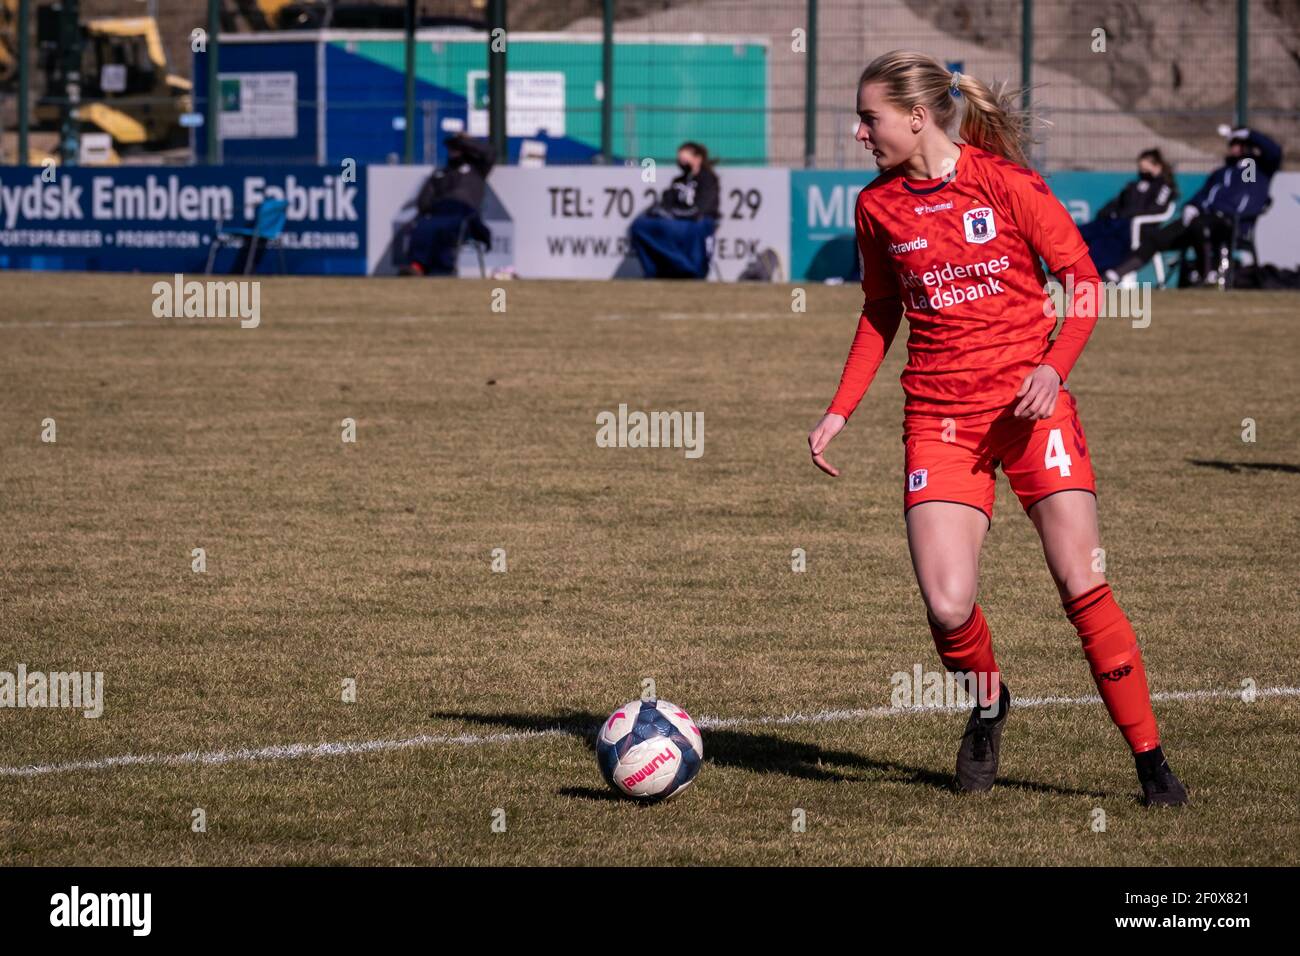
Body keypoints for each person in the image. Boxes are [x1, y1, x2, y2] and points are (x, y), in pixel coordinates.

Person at [807, 50, 1187, 806]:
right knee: (948, 605)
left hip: (1031, 413)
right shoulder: (878, 206)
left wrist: (1054, 368)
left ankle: (1151, 767)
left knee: (1081, 580)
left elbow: (1082, 279)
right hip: (940, 423)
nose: (859, 133)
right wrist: (838, 409)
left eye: (869, 118)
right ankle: (988, 702)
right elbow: (881, 312)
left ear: (917, 119)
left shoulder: (1006, 183)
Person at [1107, 127, 1282, 285]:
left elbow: (1275, 152)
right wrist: (1192, 206)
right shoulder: (1221, 172)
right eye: (1232, 143)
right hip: (1200, 221)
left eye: (1238, 144)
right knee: (1155, 238)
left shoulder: (1256, 169)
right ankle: (1114, 275)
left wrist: (1250, 134)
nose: (1233, 147)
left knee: (1200, 225)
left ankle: (1208, 277)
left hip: (1230, 223)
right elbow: (1203, 194)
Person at [400, 132, 495, 276]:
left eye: (457, 148)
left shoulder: (476, 169)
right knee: (424, 225)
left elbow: (489, 154)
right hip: (440, 210)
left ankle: (442, 270)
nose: (454, 151)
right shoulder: (440, 174)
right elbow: (424, 201)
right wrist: (432, 208)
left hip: (464, 212)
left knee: (447, 227)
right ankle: (417, 266)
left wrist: (465, 141)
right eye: (452, 148)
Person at [628, 142, 720, 279]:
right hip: (675, 223)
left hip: (695, 223)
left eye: (684, 159)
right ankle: (657, 271)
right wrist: (657, 212)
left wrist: (673, 214)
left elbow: (700, 210)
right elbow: (665, 203)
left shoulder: (708, 179)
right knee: (640, 226)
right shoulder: (678, 181)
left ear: (698, 158)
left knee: (698, 227)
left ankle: (688, 269)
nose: (681, 162)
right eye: (679, 160)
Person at [1077, 149, 1178, 274]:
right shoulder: (1133, 186)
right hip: (1116, 222)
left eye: (1146, 169)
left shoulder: (1164, 186)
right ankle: (1060, 271)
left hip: (1137, 227)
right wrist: (1107, 213)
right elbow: (1116, 203)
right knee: (1080, 233)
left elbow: (1156, 209)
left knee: (1104, 245)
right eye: (1141, 169)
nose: (1142, 172)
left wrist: (1130, 215)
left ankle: (1088, 272)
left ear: (1157, 166)